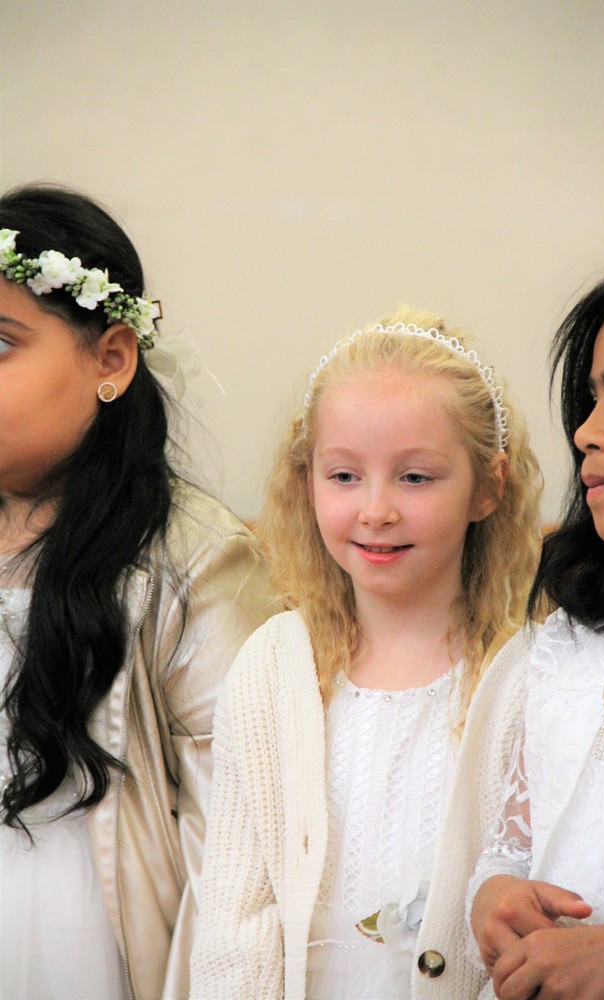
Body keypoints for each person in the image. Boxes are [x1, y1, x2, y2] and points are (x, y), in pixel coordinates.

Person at [190, 309, 544, 999]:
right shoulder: (273, 666)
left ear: (488, 486)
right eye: (345, 476)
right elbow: (237, 918)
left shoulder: (528, 675)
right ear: (307, 481)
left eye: (415, 478)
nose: (375, 510)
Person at [0, 184, 278, 1000]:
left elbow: (238, 844)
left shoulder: (196, 559)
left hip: (99, 945)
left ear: (112, 360)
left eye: (1, 342)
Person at [469, 263, 604, 1000]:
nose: (585, 431)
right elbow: (512, 847)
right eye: (591, 400)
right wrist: (495, 896)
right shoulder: (563, 642)